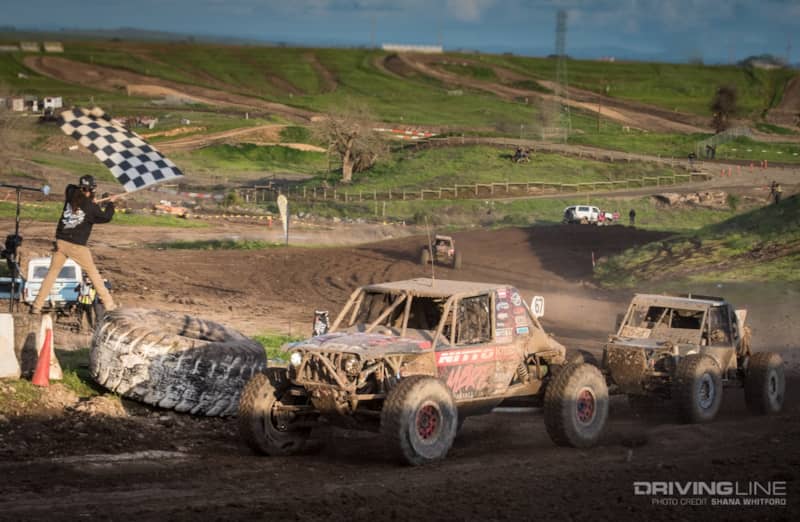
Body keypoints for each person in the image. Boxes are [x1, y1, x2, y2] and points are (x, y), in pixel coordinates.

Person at [30, 175, 117, 314]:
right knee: (93, 274)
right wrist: (111, 203)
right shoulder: (91, 208)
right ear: (92, 189)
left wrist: (89, 200)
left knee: (52, 274)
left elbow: (72, 187)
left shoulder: (71, 193)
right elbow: (106, 217)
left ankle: (36, 305)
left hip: (61, 242)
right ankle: (109, 304)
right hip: (76, 245)